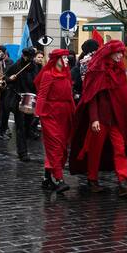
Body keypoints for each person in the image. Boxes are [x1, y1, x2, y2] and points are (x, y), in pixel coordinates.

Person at [69, 39, 127, 195]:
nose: (119, 56)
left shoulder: (119, 70)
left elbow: (122, 94)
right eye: (117, 53)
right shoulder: (97, 70)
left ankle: (123, 181)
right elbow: (92, 97)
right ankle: (92, 179)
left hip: (116, 119)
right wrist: (94, 118)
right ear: (110, 53)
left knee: (120, 149)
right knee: (95, 150)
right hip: (101, 119)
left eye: (121, 53)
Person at [35, 48, 75, 193]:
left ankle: (46, 178)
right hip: (50, 114)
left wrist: (74, 111)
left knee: (62, 148)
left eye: (66, 58)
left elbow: (69, 95)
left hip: (65, 114)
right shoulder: (47, 75)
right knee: (55, 147)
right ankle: (59, 179)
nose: (66, 60)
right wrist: (38, 115)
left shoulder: (66, 74)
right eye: (64, 58)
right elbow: (42, 95)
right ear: (56, 60)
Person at [4, 46, 41, 161]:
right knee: (20, 126)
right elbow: (5, 78)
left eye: (31, 57)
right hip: (18, 98)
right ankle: (22, 152)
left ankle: (24, 147)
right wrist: (10, 78)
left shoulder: (36, 67)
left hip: (32, 98)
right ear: (24, 56)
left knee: (28, 125)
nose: (29, 59)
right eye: (28, 57)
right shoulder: (16, 66)